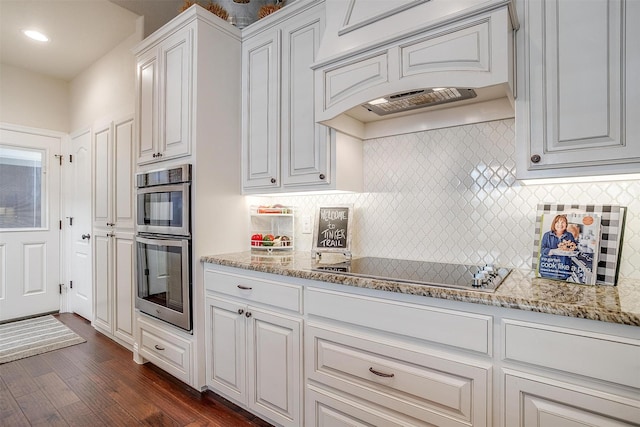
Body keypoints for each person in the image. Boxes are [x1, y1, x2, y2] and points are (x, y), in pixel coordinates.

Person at [539, 214, 577, 280]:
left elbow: (573, 248)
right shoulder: (547, 235)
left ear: (566, 225)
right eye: (558, 222)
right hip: (548, 270)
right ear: (554, 224)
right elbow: (542, 250)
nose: (560, 224)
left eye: (563, 222)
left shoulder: (569, 235)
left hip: (563, 270)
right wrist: (553, 251)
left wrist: (570, 250)